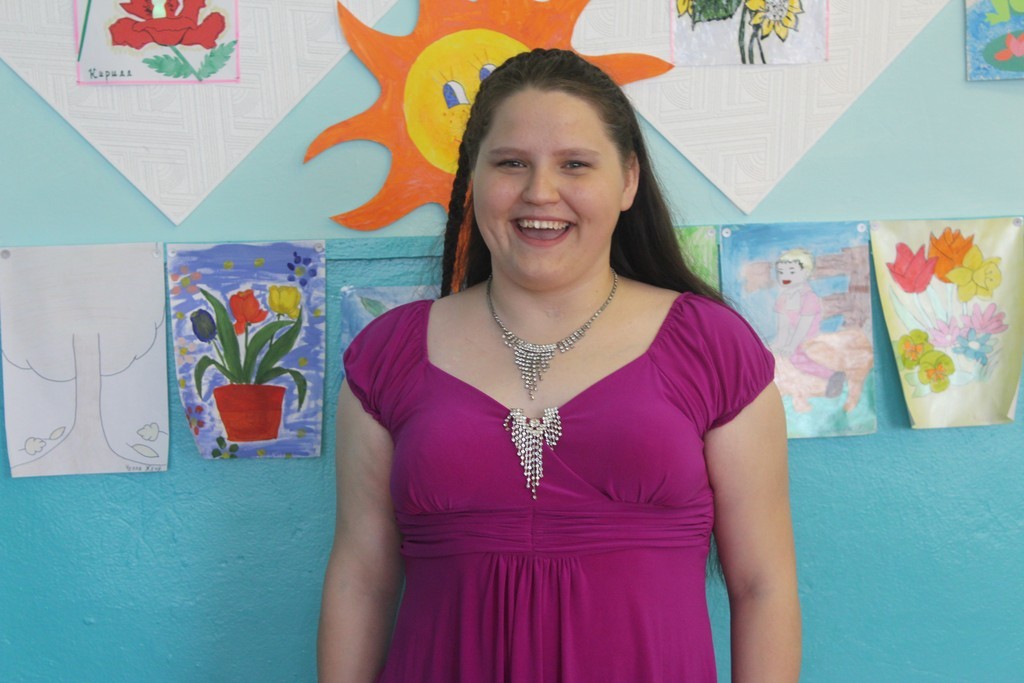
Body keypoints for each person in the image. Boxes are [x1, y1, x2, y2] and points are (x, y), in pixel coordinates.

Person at [319, 48, 800, 682]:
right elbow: (360, 580)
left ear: (627, 181)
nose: (539, 192)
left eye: (575, 164)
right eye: (511, 163)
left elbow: (763, 585)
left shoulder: (712, 347)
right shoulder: (387, 355)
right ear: (473, 177)